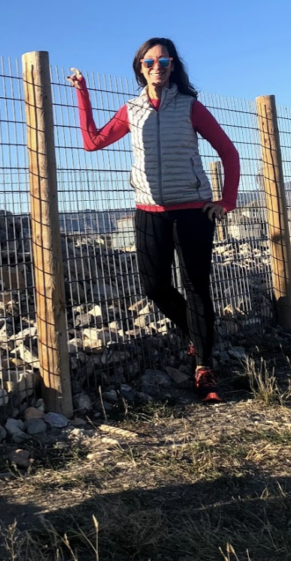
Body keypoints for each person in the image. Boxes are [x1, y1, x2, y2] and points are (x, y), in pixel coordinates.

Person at [68, 37, 240, 403]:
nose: (157, 66)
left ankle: (205, 368)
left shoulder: (191, 107)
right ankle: (197, 334)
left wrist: (226, 202)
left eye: (164, 60)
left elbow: (228, 152)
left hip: (193, 212)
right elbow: (93, 142)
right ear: (140, 67)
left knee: (196, 288)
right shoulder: (131, 110)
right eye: (149, 61)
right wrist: (82, 94)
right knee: (154, 288)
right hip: (149, 213)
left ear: (173, 66)